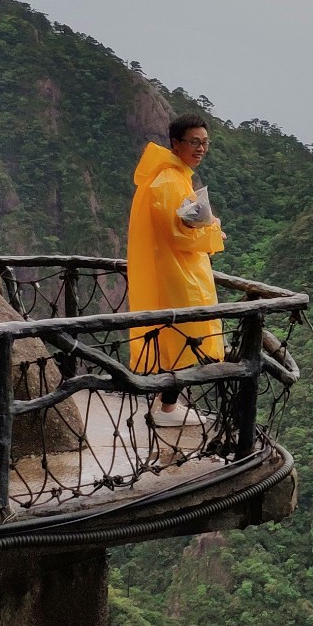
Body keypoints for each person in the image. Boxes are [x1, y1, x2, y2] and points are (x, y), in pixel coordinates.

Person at [126, 114, 225, 427]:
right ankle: (169, 408)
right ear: (176, 143)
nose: (200, 148)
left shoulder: (172, 175)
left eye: (204, 143)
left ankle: (165, 402)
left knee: (176, 337)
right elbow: (178, 234)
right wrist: (213, 229)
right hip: (178, 275)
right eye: (194, 142)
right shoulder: (169, 181)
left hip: (176, 270)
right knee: (185, 336)